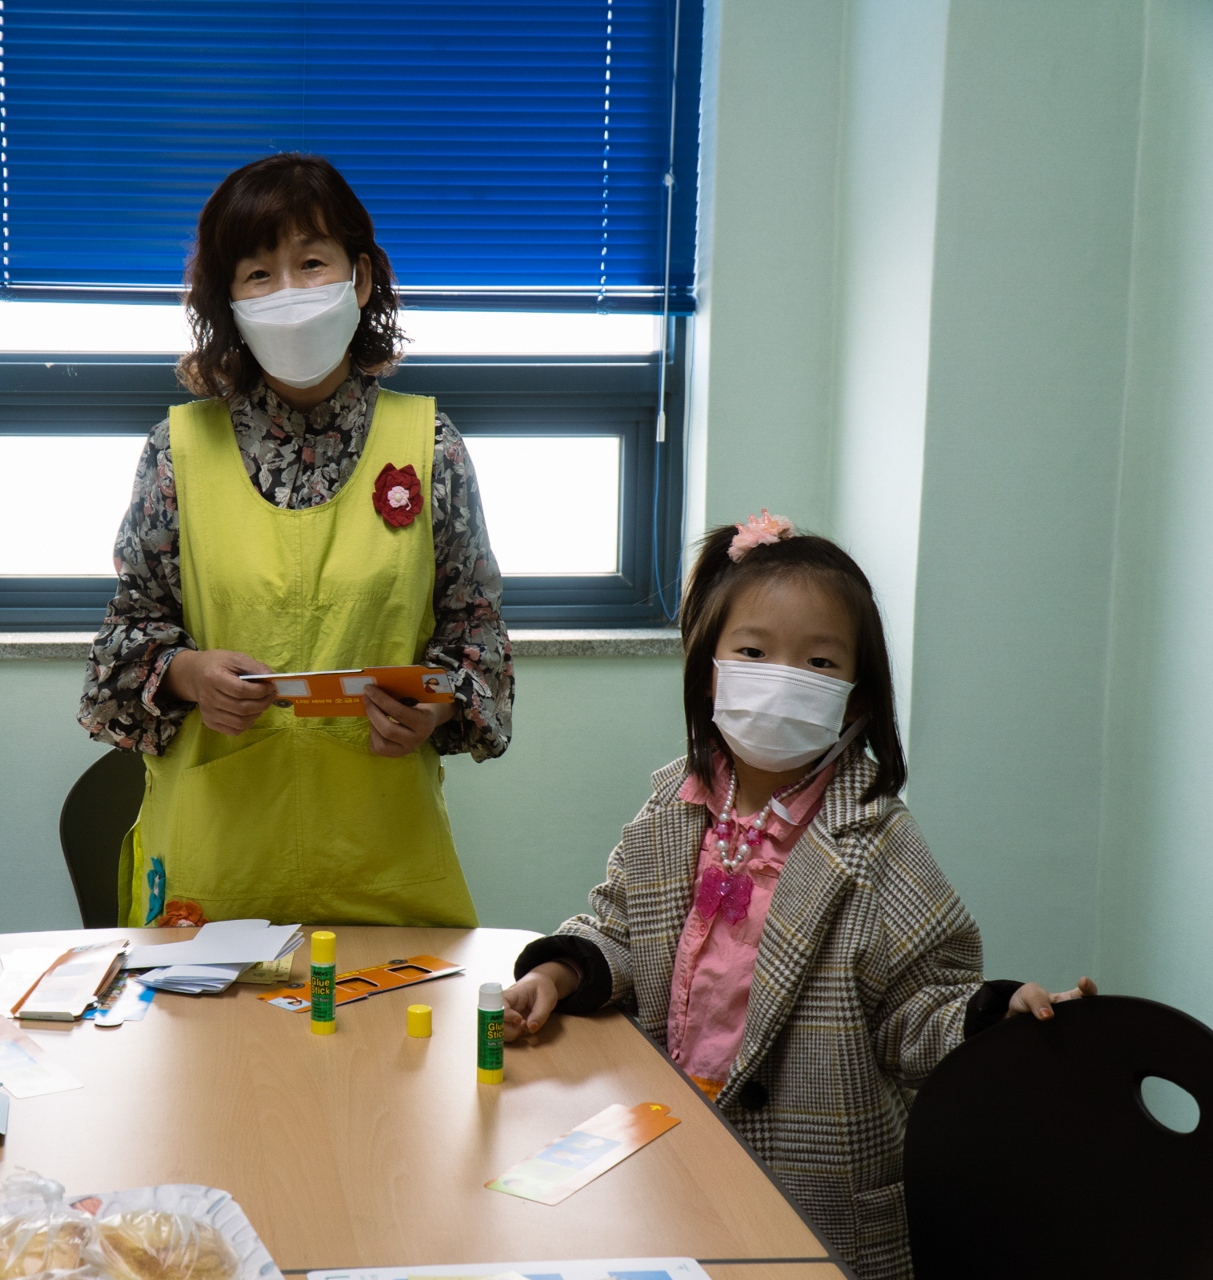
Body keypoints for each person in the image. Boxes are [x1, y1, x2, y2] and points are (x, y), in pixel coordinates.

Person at [501, 512, 1094, 1280]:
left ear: (855, 697)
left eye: (818, 661)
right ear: (708, 671)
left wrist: (992, 1016)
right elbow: (619, 925)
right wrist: (557, 974)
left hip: (814, 1185)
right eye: (754, 653)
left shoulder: (878, 839)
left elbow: (919, 1008)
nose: (782, 680)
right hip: (669, 1137)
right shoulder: (674, 804)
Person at [78, 152, 513, 929]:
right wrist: (189, 673)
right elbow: (120, 649)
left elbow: (477, 641)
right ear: (229, 303)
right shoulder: (178, 452)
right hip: (214, 882)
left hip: (384, 869)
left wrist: (437, 707)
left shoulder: (430, 447)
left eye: (312, 263)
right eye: (258, 274)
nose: (289, 293)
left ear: (360, 278)